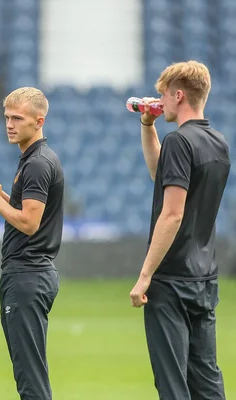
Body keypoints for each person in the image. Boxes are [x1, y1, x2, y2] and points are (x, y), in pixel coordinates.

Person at [130, 60, 228, 400]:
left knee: (172, 384)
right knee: (206, 380)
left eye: (163, 95)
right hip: (204, 276)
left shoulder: (179, 142)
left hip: (172, 281)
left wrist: (145, 275)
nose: (160, 101)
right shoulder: (218, 143)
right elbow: (165, 176)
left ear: (180, 95)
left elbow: (172, 214)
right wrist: (147, 126)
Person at [0, 87, 64, 400]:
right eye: (7, 117)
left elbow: (29, 222)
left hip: (28, 274)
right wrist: (1, 196)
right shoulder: (34, 159)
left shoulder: (37, 163)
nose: (9, 124)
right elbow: (27, 211)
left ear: (39, 121)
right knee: (27, 372)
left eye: (17, 118)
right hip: (28, 273)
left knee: (30, 377)